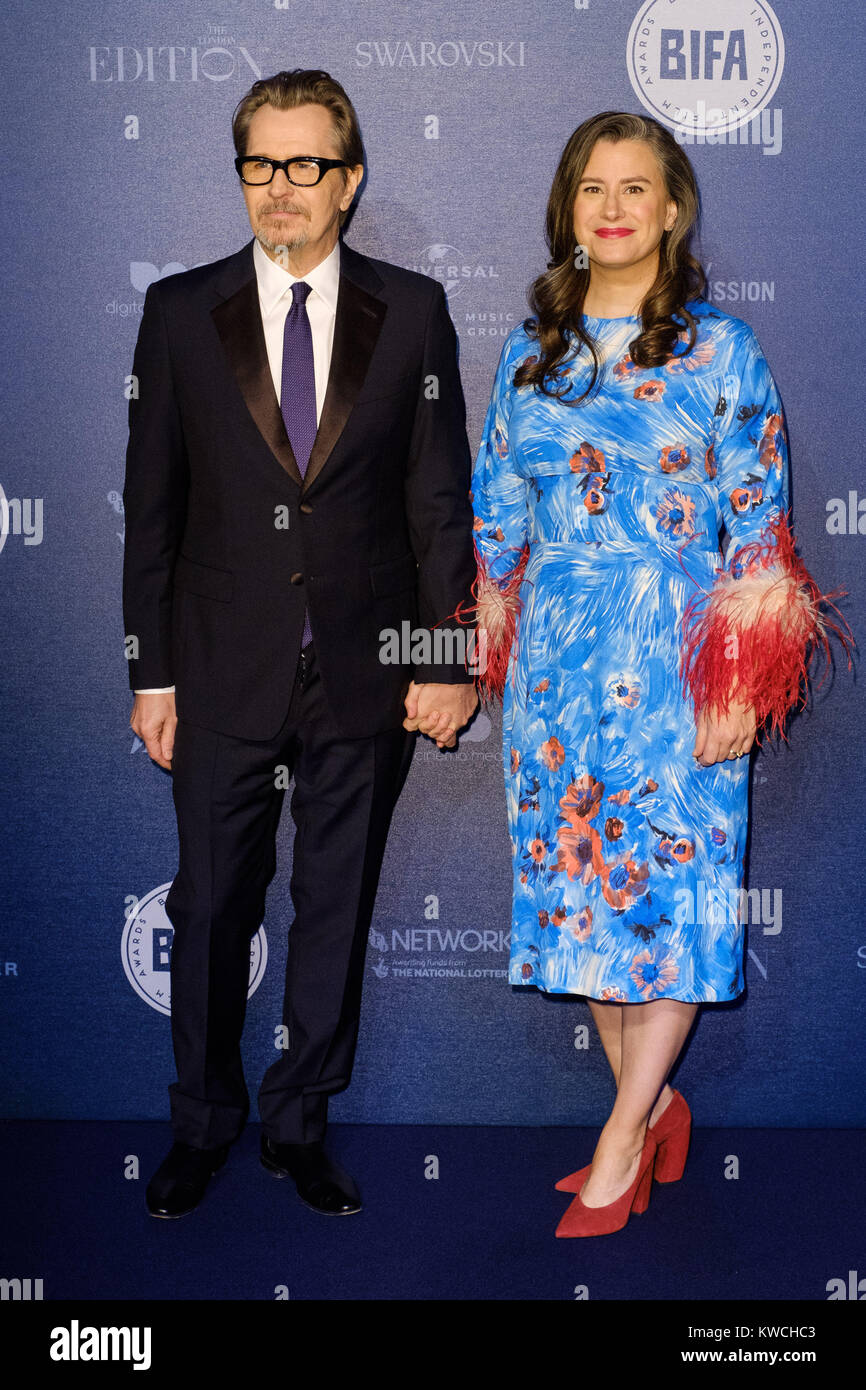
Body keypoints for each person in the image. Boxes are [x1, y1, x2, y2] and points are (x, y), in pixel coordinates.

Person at [459, 111, 852, 1237]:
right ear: (568, 210)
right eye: (592, 188)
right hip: (556, 673)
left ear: (673, 209)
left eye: (636, 187)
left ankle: (620, 1138)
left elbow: (759, 525)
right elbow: (494, 517)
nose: (614, 207)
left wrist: (741, 678)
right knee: (582, 892)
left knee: (674, 898)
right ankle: (654, 1107)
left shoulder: (721, 352)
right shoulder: (529, 355)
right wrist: (482, 647)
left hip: (679, 661)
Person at [123, 68, 478, 1219]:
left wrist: (444, 656)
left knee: (333, 906)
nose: (281, 186)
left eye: (306, 164)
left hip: (365, 672)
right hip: (220, 667)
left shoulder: (412, 311)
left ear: (349, 178)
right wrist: (151, 673)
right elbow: (153, 510)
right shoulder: (179, 312)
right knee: (209, 908)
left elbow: (437, 499)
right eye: (260, 164)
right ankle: (201, 1123)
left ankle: (298, 1125)